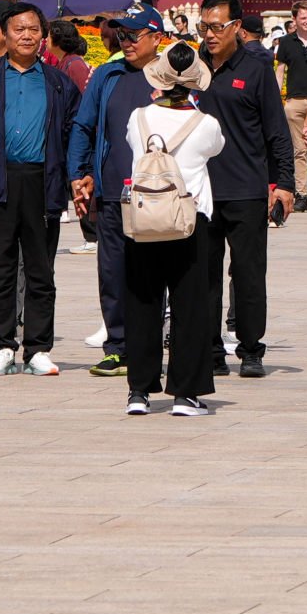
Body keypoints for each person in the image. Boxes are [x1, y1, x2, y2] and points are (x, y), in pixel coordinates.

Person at [0, 4, 77, 376]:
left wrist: (77, 178)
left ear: (44, 35)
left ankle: (38, 348)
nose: (27, 35)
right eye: (19, 29)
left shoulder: (58, 83)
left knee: (41, 269)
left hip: (42, 181)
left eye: (33, 29)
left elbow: (74, 135)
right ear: (4, 34)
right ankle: (2, 345)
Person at [115, 39, 229, 415]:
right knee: (190, 306)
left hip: (145, 220)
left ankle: (139, 391)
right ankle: (185, 392)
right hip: (188, 221)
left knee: (143, 302)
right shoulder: (206, 124)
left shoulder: (138, 118)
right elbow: (215, 150)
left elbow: (133, 146)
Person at [188, 0, 299, 375]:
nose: (210, 34)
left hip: (246, 189)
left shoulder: (255, 69)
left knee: (249, 273)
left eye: (218, 27)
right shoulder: (190, 66)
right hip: (198, 191)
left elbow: (276, 131)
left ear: (236, 27)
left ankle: (251, 349)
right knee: (202, 275)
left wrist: (284, 183)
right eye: (204, 27)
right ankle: (211, 350)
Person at [67, 14, 169, 372]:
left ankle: (148, 346)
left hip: (159, 194)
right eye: (121, 35)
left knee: (152, 273)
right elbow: (83, 124)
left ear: (156, 38)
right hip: (113, 193)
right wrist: (78, 174)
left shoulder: (172, 77)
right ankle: (117, 345)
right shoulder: (108, 77)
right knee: (112, 271)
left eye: (133, 35)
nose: (125, 41)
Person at [274, 1, 307, 196]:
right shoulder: (286, 42)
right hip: (294, 102)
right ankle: (301, 194)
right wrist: (277, 100)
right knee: (299, 152)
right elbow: (280, 72)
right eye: (303, 18)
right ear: (294, 20)